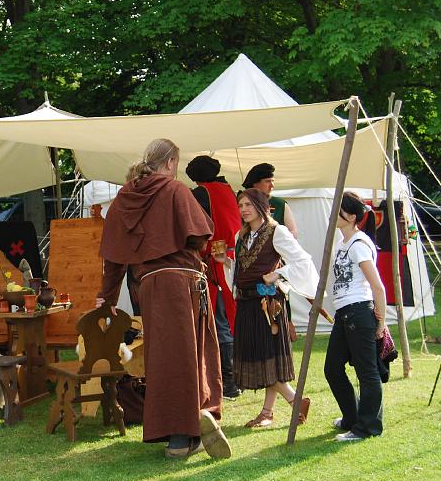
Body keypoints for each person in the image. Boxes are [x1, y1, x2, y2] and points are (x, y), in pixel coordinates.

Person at [97, 139, 231, 460]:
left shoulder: (123, 200)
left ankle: (180, 435)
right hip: (183, 283)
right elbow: (200, 236)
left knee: (163, 359)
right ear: (171, 163)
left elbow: (114, 260)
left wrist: (108, 298)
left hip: (149, 288)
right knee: (189, 357)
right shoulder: (176, 191)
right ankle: (189, 428)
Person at [216, 188, 318, 429]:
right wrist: (227, 262)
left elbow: (303, 261)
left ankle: (295, 401)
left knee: (265, 358)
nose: (243, 210)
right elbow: (243, 270)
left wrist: (279, 274)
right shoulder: (241, 236)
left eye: (248, 205)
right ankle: (268, 412)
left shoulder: (277, 231)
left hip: (266, 306)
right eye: (240, 206)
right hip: (246, 303)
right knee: (263, 359)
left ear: (261, 206)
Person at [324, 192, 388, 441]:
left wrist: (381, 322)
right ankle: (352, 417)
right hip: (345, 313)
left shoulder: (359, 244)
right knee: (332, 368)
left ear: (351, 216)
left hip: (359, 311)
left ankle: (367, 427)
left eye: (338, 209)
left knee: (367, 372)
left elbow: (378, 286)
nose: (333, 213)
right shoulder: (343, 243)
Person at [186, 154, 241, 399]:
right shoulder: (227, 189)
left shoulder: (202, 193)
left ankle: (229, 383)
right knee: (225, 320)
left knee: (219, 322)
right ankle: (231, 379)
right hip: (228, 258)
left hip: (215, 262)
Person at [242, 162, 299, 238]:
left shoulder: (279, 203)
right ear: (255, 183)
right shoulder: (242, 203)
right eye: (268, 181)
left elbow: (293, 232)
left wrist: (275, 240)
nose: (272, 185)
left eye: (272, 181)